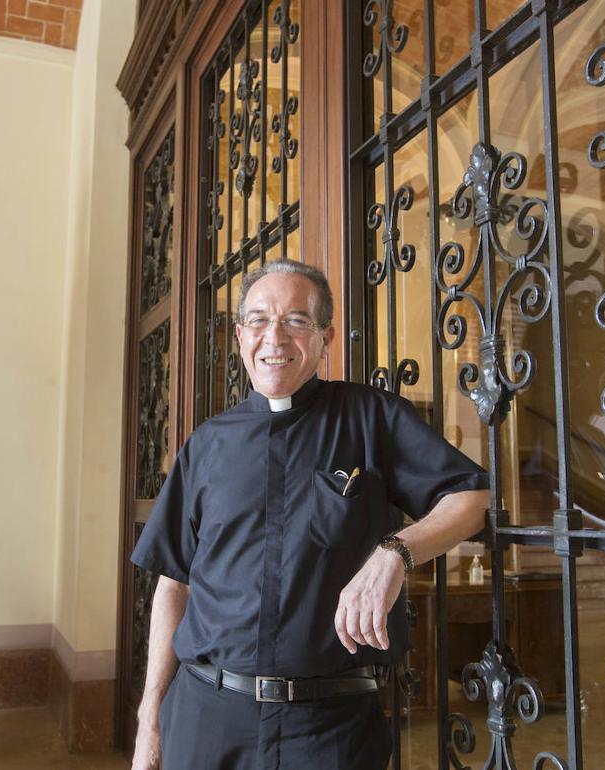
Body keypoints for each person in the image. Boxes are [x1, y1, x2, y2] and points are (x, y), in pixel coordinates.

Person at [130, 259, 491, 769]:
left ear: (327, 336)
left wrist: (394, 554)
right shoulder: (206, 445)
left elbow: (471, 498)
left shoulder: (373, 419)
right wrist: (150, 719)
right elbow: (174, 585)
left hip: (331, 728)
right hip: (206, 717)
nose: (274, 336)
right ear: (239, 337)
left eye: (296, 320)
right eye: (258, 320)